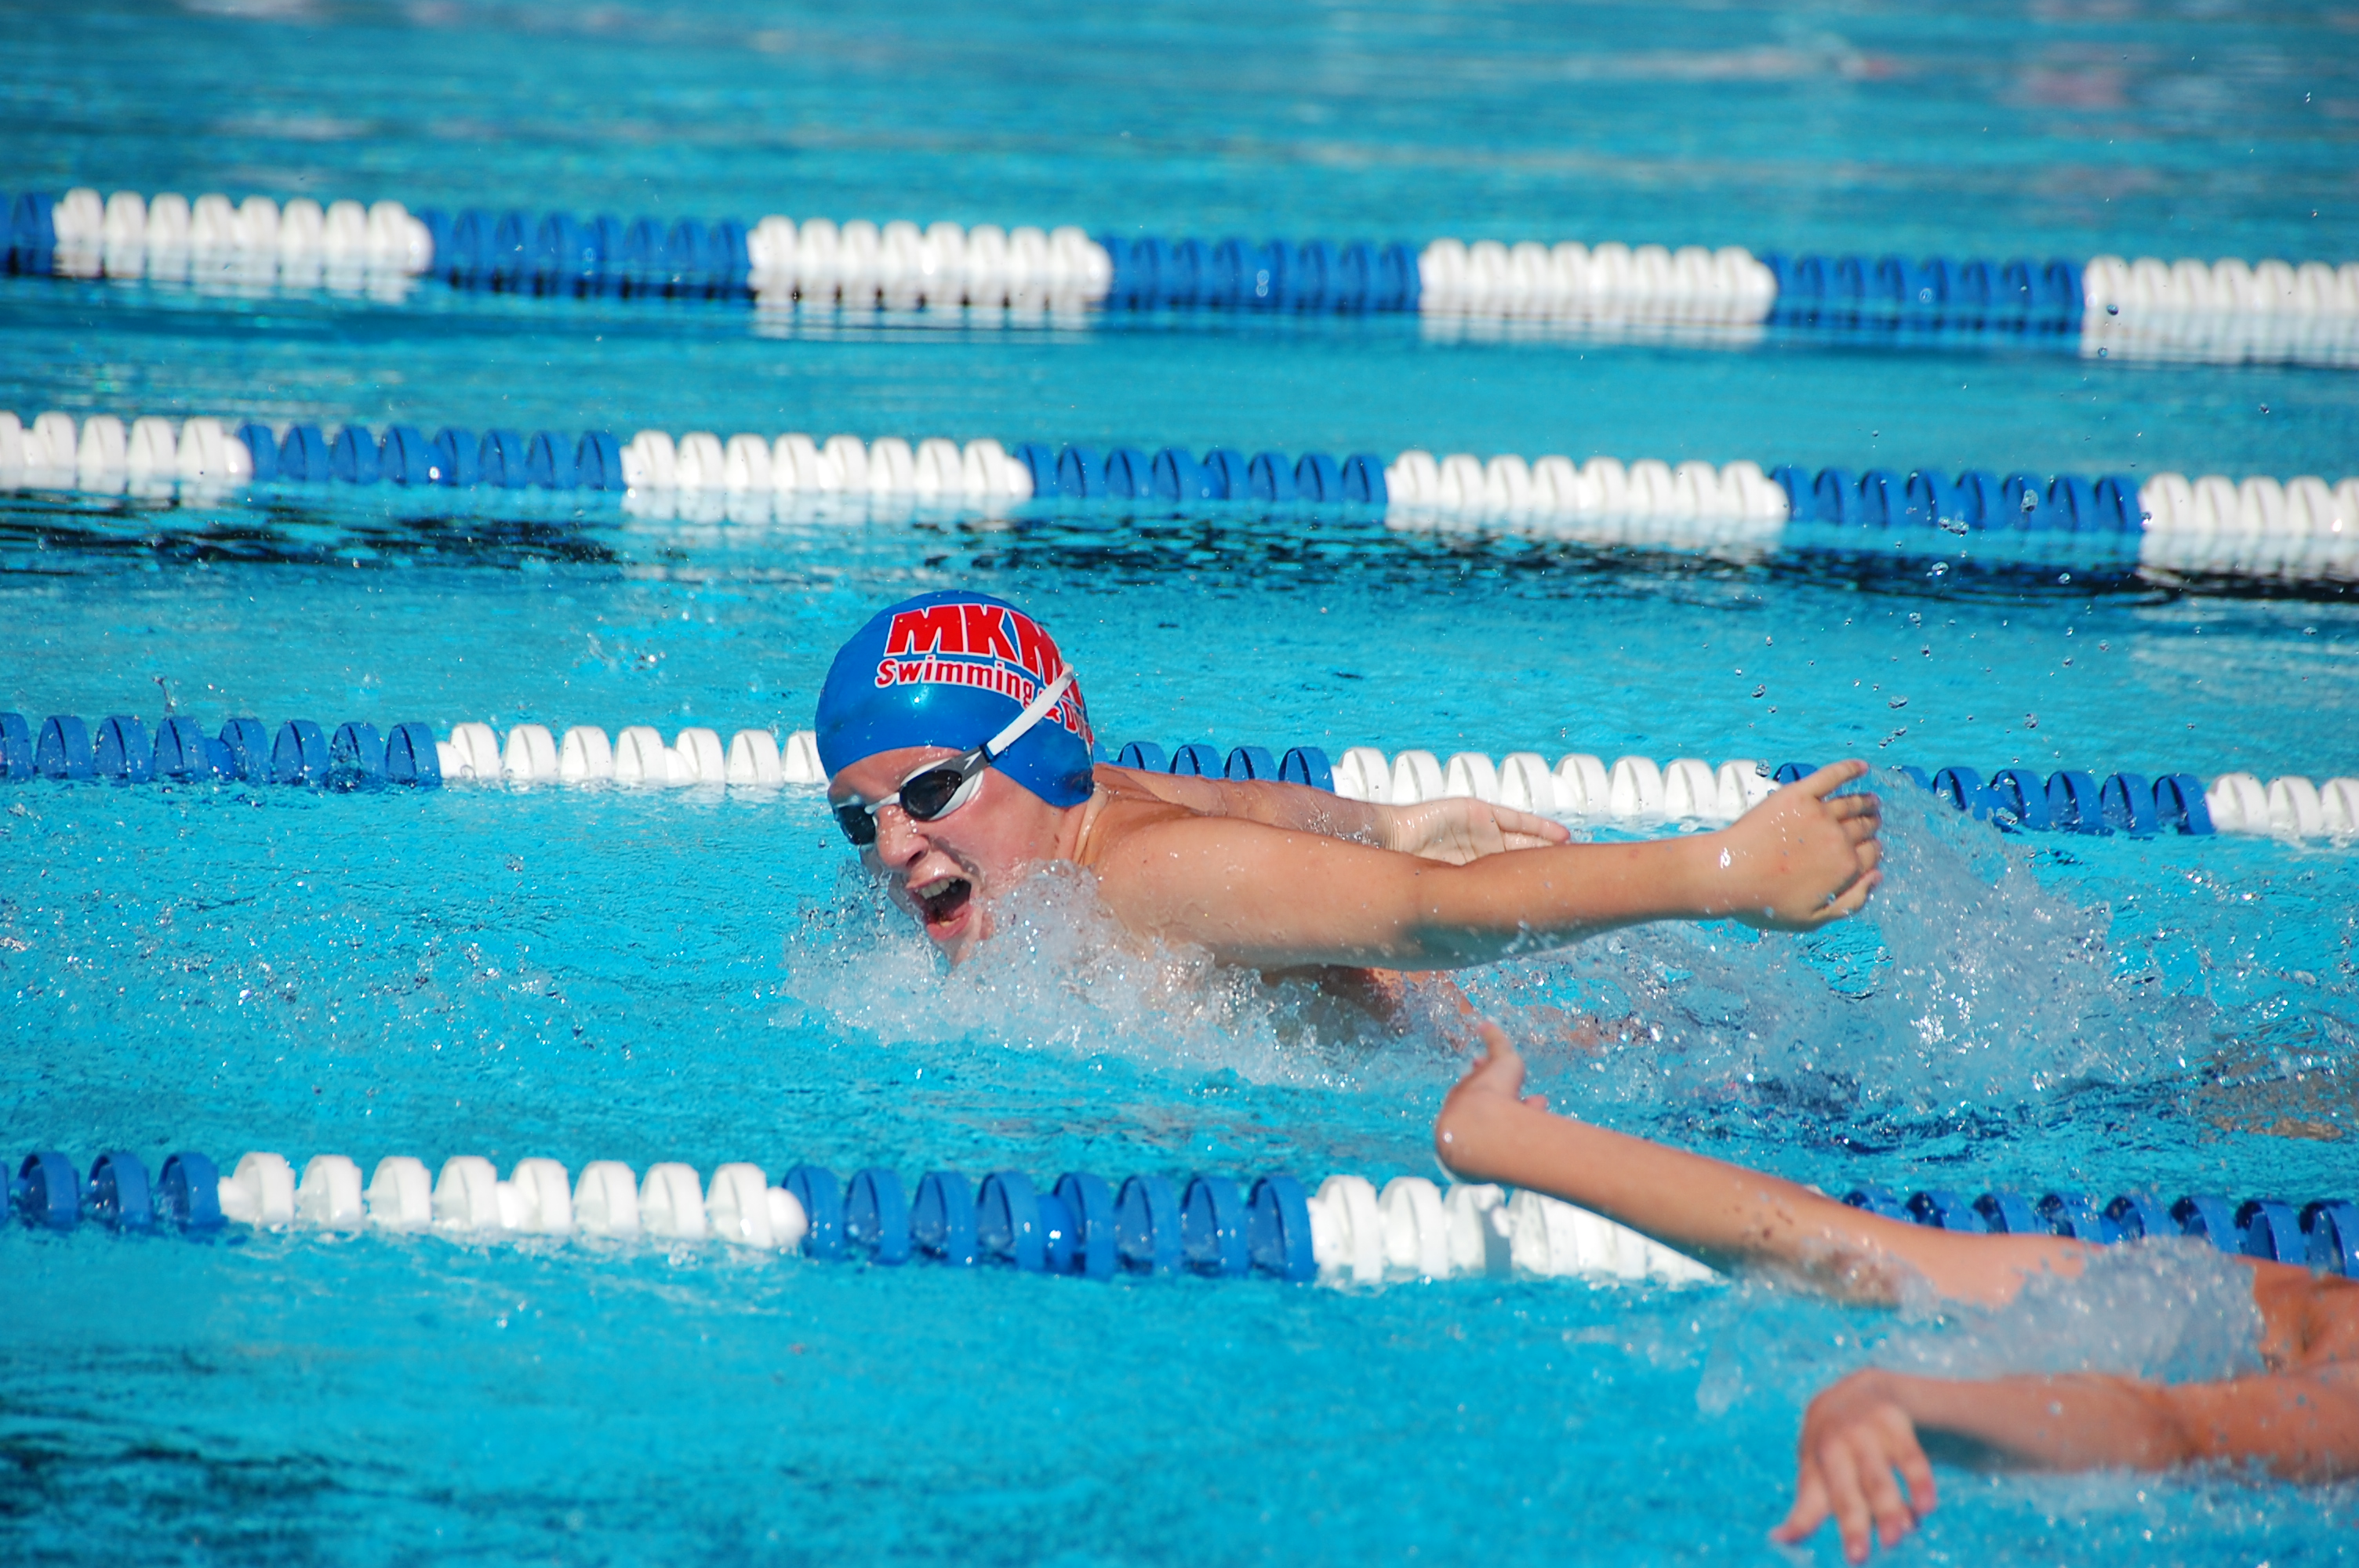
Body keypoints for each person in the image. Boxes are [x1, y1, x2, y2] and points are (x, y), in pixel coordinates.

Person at [1431, 1025, 2359, 1563]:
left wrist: (1911, 1397)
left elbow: (2173, 1431)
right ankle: (1505, 1140)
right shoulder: (2320, 1304)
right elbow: (1873, 1259)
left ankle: (1505, 1140)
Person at [815, 590, 1885, 972]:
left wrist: (1719, 869)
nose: (895, 845)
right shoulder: (1093, 818)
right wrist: (1389, 822)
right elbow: (1240, 802)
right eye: (861, 819)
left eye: (931, 792)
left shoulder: (1145, 879)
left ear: (1041, 757)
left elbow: (1431, 917)